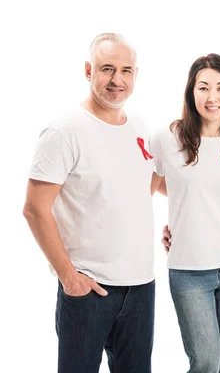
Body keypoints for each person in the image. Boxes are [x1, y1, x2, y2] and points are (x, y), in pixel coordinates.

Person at [23, 33, 155, 373]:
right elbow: (35, 209)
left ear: (135, 75)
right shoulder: (64, 130)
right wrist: (69, 277)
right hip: (89, 290)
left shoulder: (139, 127)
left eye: (126, 70)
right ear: (88, 70)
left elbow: (145, 187)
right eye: (107, 69)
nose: (117, 80)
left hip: (141, 287)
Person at [151, 54, 220, 373]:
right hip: (190, 270)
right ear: (191, 92)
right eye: (204, 87)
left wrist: (194, 202)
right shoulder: (167, 140)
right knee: (206, 362)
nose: (213, 97)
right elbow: (152, 186)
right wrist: (183, 210)